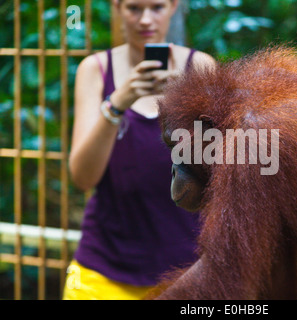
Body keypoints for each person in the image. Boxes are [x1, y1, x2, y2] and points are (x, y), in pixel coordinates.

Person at [63, 0, 216, 300]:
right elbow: (82, 177)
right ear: (117, 7)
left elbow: (216, 174)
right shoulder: (95, 69)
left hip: (185, 272)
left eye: (156, 7)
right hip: (104, 270)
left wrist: (183, 103)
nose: (146, 19)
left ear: (173, 7)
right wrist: (119, 101)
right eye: (134, 8)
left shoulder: (200, 67)